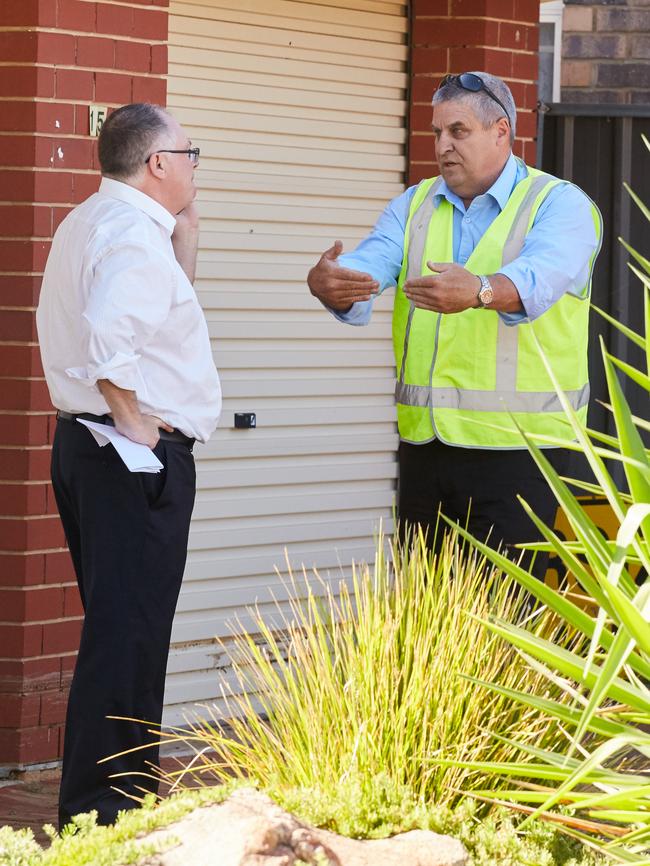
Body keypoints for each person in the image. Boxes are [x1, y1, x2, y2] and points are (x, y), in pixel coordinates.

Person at [307, 71, 602, 575]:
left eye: (458, 131)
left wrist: (481, 291)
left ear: (502, 132)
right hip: (427, 450)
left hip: (524, 455)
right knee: (428, 623)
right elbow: (371, 262)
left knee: (506, 623)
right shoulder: (415, 203)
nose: (442, 146)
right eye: (436, 133)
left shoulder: (559, 204)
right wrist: (333, 281)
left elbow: (538, 278)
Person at [36, 103, 221, 828]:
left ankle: (121, 801)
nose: (195, 165)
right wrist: (136, 422)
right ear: (157, 164)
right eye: (189, 152)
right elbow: (110, 340)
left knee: (127, 631)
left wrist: (189, 238)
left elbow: (155, 323)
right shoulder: (131, 241)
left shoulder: (95, 222)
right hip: (129, 456)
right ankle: (104, 814)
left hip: (90, 450)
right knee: (128, 637)